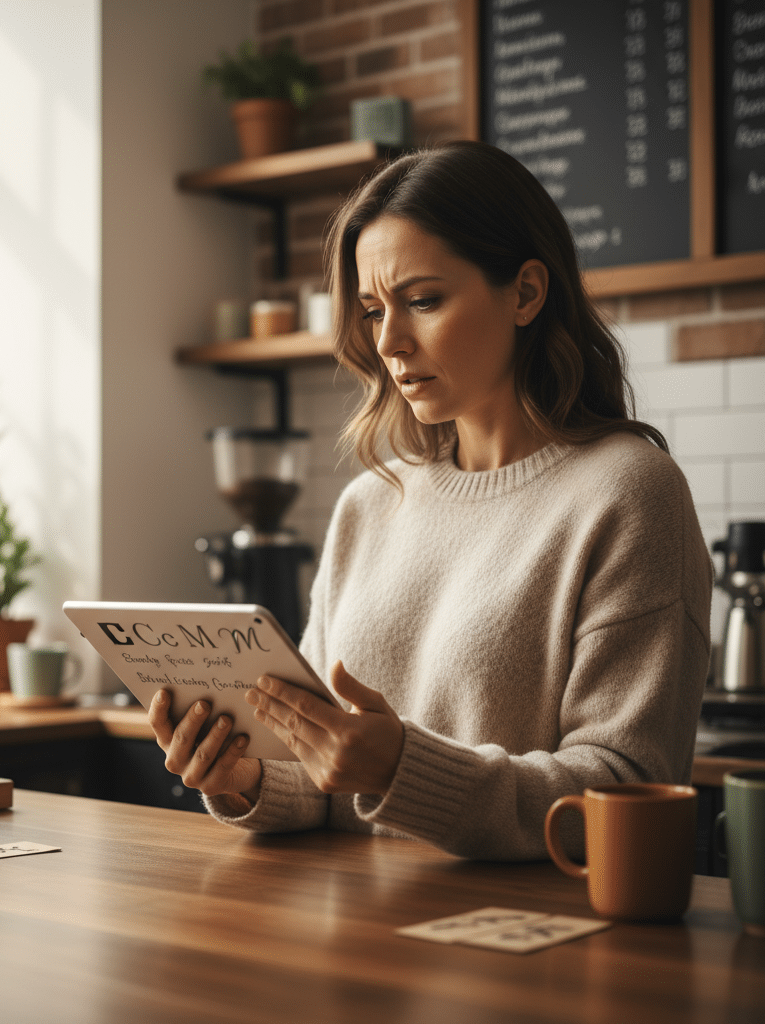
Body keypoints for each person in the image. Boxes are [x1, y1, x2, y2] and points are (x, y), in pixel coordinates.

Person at [149, 140, 713, 861]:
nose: (389, 340)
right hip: (360, 941)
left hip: (527, 956)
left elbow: (620, 792)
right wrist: (247, 777)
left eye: (422, 301)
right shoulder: (368, 504)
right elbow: (324, 780)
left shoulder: (629, 493)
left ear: (527, 293)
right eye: (373, 309)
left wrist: (399, 767)